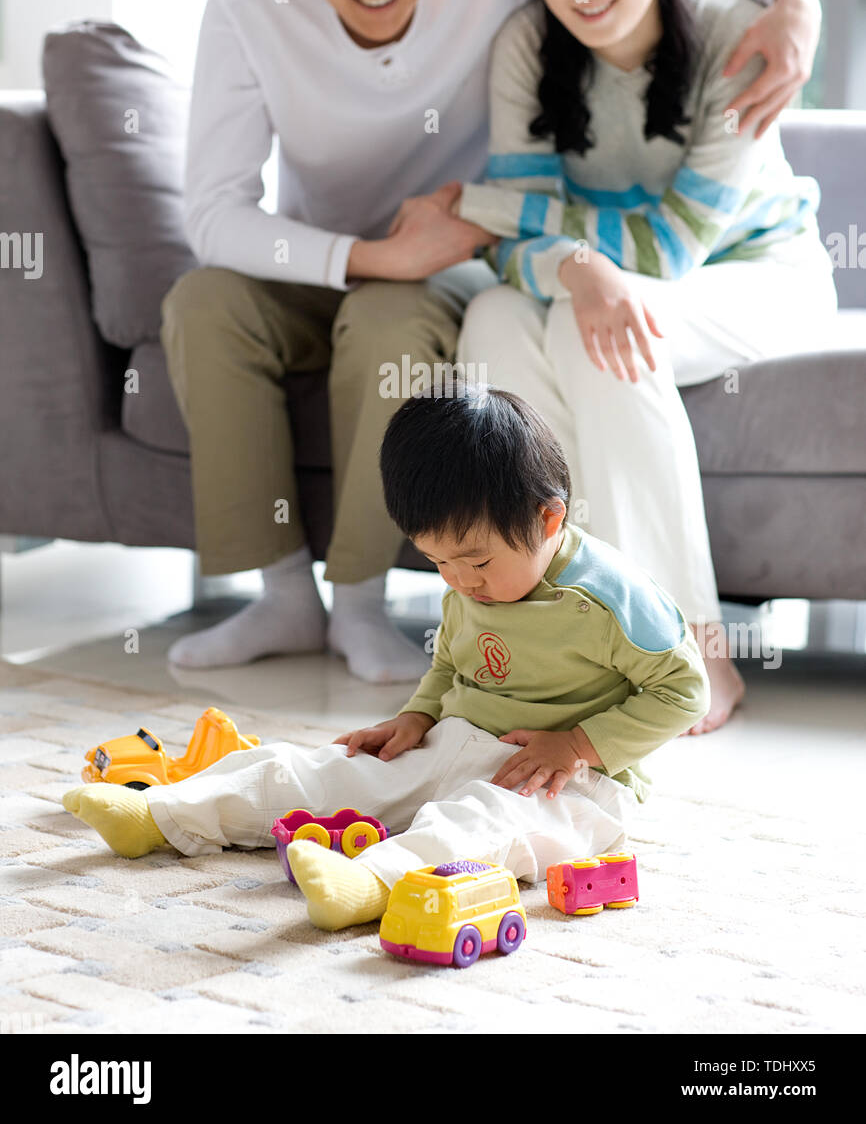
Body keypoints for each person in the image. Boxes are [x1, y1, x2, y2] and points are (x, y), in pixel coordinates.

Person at [163, 0, 823, 685]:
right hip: (357, 257)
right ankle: (311, 599)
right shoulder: (262, 2)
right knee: (220, 302)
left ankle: (646, 640)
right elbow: (211, 212)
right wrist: (382, 255)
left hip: (519, 264)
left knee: (479, 328)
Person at [394, 0, 838, 730]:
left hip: (755, 272)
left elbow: (672, 247)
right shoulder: (526, 45)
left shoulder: (735, 35)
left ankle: (687, 650)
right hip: (597, 279)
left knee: (592, 331)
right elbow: (522, 260)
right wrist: (573, 260)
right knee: (495, 325)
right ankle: (556, 643)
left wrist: (484, 210)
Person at [62, 386, 708, 931]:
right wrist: (417, 717)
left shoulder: (610, 598)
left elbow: (684, 691)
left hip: (570, 785)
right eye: (437, 563)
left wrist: (574, 745)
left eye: (476, 561)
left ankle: (371, 884)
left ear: (547, 520)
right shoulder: (470, 579)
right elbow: (451, 666)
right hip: (459, 741)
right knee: (326, 770)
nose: (459, 581)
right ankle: (165, 815)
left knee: (479, 827)